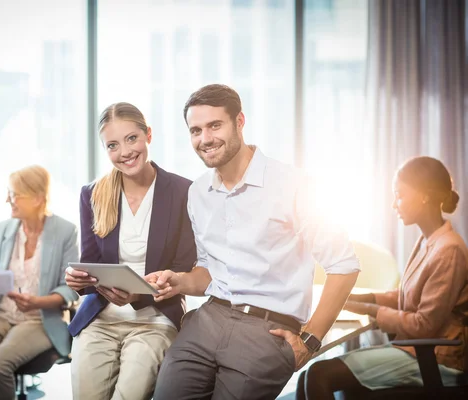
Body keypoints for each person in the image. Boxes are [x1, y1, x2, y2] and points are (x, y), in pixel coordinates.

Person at [146, 84, 361, 400]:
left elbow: (344, 266)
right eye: (195, 130)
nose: (204, 138)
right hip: (208, 318)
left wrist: (311, 340)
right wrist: (177, 281)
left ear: (239, 122)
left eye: (214, 125)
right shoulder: (198, 192)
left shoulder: (294, 184)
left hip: (268, 329)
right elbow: (207, 271)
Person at [297, 156, 468, 399]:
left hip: (437, 357)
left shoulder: (449, 249)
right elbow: (412, 296)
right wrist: (357, 298)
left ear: (424, 196)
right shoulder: (430, 240)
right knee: (308, 375)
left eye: (399, 195)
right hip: (418, 350)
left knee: (319, 374)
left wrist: (371, 310)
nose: (395, 204)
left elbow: (425, 325)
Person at [65, 102, 197, 400]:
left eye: (131, 139)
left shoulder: (182, 192)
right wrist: (79, 280)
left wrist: (140, 294)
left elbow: (183, 269)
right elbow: (91, 263)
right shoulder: (93, 194)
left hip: (155, 320)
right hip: (101, 318)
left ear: (148, 135)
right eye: (112, 145)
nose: (124, 152)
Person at [0, 165, 79, 400]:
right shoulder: (2, 230)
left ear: (37, 198)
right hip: (0, 314)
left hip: (40, 319)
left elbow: (72, 287)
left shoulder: (65, 231)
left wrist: (38, 302)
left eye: (14, 194)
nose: (8, 200)